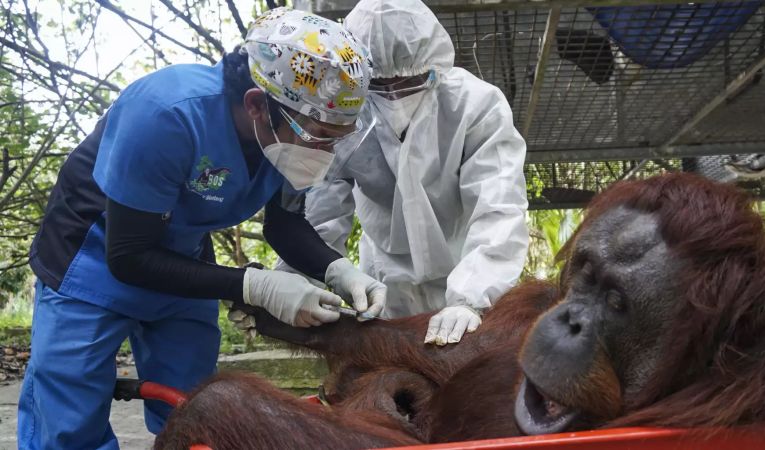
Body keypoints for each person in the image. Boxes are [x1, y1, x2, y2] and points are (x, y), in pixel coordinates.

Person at [18, 8, 384, 449]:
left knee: (197, 410)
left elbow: (284, 222)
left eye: (337, 137)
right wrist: (253, 285)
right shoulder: (165, 114)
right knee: (68, 415)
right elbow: (129, 254)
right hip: (91, 256)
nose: (324, 151)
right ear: (255, 104)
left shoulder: (283, 131)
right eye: (319, 135)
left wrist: (340, 270)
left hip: (181, 257)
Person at [298, 0, 529, 346]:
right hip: (382, 282)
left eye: (408, 82)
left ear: (433, 65)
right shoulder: (346, 116)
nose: (394, 95)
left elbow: (498, 206)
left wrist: (473, 298)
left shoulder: (476, 106)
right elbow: (321, 214)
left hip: (464, 267)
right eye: (378, 85)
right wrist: (298, 284)